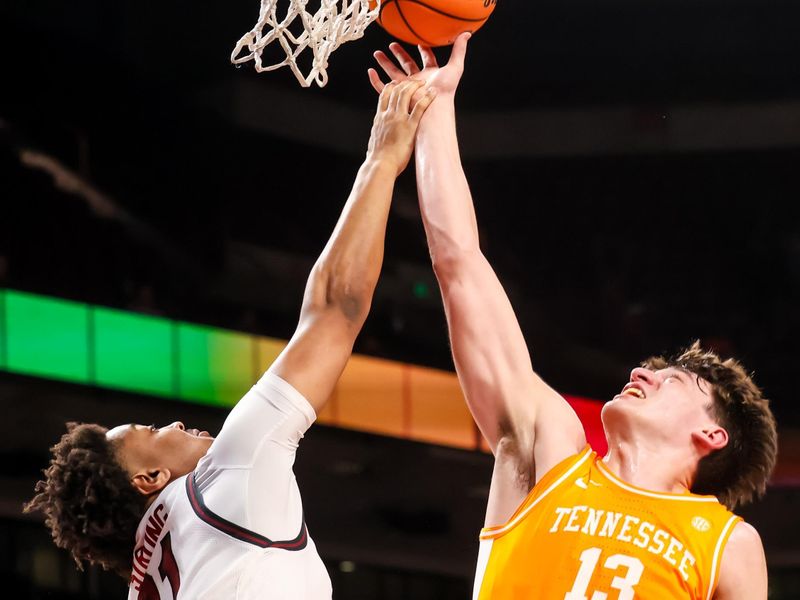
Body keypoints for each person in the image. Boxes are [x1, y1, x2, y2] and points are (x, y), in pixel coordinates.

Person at [369, 36, 777, 599]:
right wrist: (437, 110)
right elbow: (459, 263)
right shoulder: (550, 448)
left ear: (711, 433)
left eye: (671, 379)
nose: (641, 373)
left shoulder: (728, 544)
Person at [25, 78, 436, 600]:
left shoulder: (148, 585)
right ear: (150, 477)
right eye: (153, 429)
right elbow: (335, 308)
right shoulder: (222, 480)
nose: (173, 422)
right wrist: (382, 157)